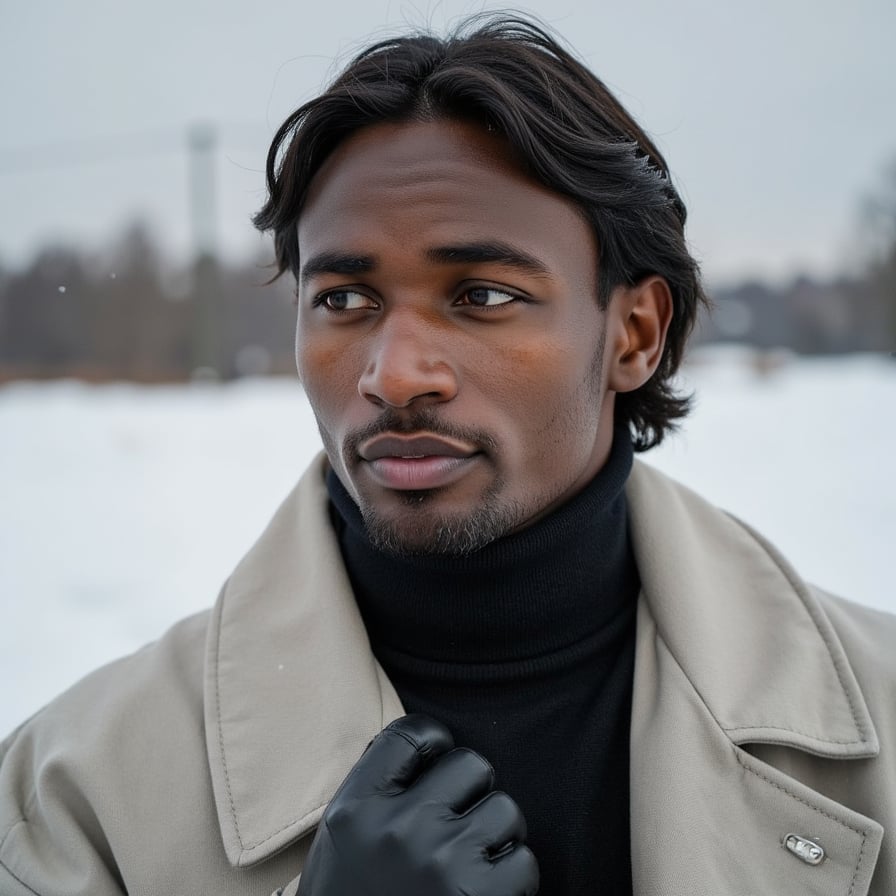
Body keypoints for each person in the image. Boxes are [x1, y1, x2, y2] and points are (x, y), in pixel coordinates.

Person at [1, 13, 894, 896]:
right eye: (346, 300)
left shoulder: (879, 714)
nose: (395, 376)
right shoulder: (74, 791)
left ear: (634, 334)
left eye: (481, 294)